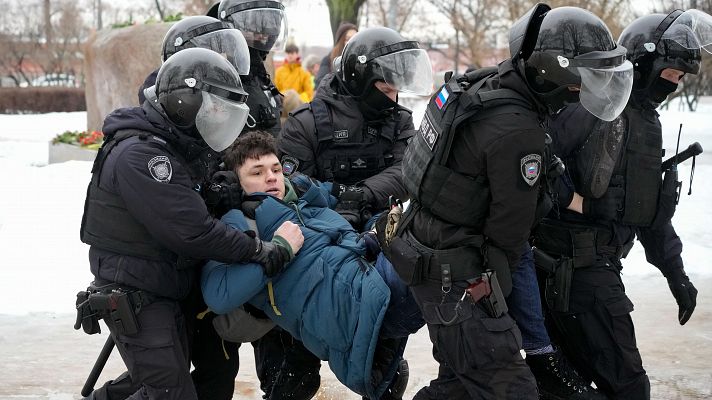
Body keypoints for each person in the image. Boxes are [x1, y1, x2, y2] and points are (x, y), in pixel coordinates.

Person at [390, 4, 634, 399]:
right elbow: (510, 235)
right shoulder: (518, 131)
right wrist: (516, 323)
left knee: (462, 385)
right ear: (558, 72)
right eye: (585, 77)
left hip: (430, 254)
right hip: (458, 279)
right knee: (512, 388)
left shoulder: (482, 85)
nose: (588, 89)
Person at [78, 48, 303, 400]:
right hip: (139, 290)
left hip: (164, 282)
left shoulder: (174, 143)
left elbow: (195, 196)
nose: (216, 116)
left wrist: (226, 194)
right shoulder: (143, 156)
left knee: (164, 380)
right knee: (170, 391)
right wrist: (258, 250)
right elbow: (192, 230)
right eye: (212, 107)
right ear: (186, 101)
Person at [533, 9, 705, 399]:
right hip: (575, 272)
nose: (674, 86)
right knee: (628, 387)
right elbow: (534, 165)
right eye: (670, 75)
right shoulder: (591, 106)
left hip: (595, 269)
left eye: (679, 79)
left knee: (564, 388)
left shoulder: (645, 122)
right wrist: (581, 204)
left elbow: (646, 209)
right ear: (644, 64)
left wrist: (674, 272)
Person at [199, 130, 421, 400]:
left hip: (370, 287)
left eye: (276, 169)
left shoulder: (307, 205)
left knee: (429, 238)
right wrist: (279, 250)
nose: (271, 177)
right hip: (355, 309)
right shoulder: (239, 224)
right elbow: (218, 295)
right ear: (237, 183)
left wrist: (373, 237)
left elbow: (340, 239)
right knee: (436, 251)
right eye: (257, 173)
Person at [275, 26, 432, 399]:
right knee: (292, 377)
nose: (394, 97)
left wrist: (360, 194)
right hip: (316, 244)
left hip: (379, 236)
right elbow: (286, 187)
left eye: (397, 88)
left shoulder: (399, 120)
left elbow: (409, 170)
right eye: (386, 88)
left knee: (383, 363)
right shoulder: (307, 123)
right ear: (362, 79)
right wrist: (334, 206)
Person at [219, 0, 287, 137]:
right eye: (254, 28)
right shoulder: (222, 78)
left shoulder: (260, 75)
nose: (263, 35)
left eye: (266, 28)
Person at [314, 21, 357, 88]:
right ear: (341, 41)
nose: (352, 42)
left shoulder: (361, 60)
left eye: (355, 38)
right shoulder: (328, 60)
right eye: (348, 39)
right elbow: (321, 83)